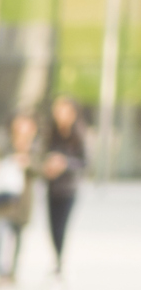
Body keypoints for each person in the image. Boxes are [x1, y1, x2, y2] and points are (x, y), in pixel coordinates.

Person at [0, 111, 38, 284]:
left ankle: (13, 271)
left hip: (23, 200)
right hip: (4, 198)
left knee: (19, 236)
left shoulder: (36, 146)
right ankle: (1, 272)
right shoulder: (2, 143)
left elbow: (41, 170)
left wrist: (28, 163)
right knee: (1, 234)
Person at [41, 95, 87, 275]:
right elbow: (41, 154)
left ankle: (59, 264)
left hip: (69, 189)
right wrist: (48, 164)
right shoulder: (50, 133)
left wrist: (65, 163)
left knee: (61, 227)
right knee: (52, 228)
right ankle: (56, 260)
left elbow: (85, 162)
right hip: (52, 187)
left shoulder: (79, 135)